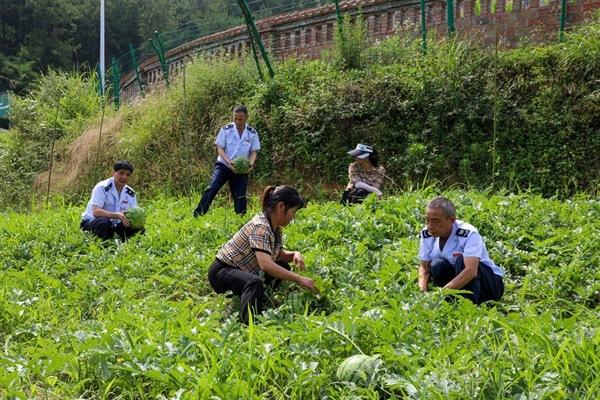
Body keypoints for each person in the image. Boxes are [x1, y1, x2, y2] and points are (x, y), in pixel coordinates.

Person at [208, 185, 319, 324]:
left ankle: (256, 299)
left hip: (239, 271)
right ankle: (249, 324)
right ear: (281, 207)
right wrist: (299, 279)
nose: (293, 217)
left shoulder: (275, 228)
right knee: (253, 282)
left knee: (283, 266)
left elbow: (277, 255)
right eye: (293, 211)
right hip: (222, 272)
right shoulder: (261, 226)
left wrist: (294, 255)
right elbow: (266, 265)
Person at [417, 196, 504, 304]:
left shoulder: (468, 233)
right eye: (427, 220)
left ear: (452, 220)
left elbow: (471, 271)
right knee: (436, 265)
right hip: (458, 281)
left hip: (488, 283)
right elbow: (424, 266)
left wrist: (441, 293)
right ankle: (453, 301)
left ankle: (470, 305)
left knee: (461, 261)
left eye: (436, 221)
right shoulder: (427, 234)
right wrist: (422, 291)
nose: (430, 226)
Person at [193, 105, 260, 217]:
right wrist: (228, 161)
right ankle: (198, 215)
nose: (238, 121)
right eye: (235, 118)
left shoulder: (252, 133)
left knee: (240, 197)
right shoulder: (226, 129)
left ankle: (240, 220)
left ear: (246, 117)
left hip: (240, 169)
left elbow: (254, 151)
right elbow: (220, 148)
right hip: (224, 165)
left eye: (241, 119)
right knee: (212, 188)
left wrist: (251, 163)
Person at [80, 160, 144, 241]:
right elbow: (96, 212)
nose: (124, 177)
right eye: (121, 173)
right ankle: (103, 243)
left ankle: (124, 241)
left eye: (127, 175)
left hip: (114, 224)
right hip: (93, 221)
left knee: (138, 228)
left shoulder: (130, 193)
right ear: (113, 173)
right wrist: (116, 215)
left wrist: (137, 218)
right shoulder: (102, 187)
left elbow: (132, 214)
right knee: (104, 223)